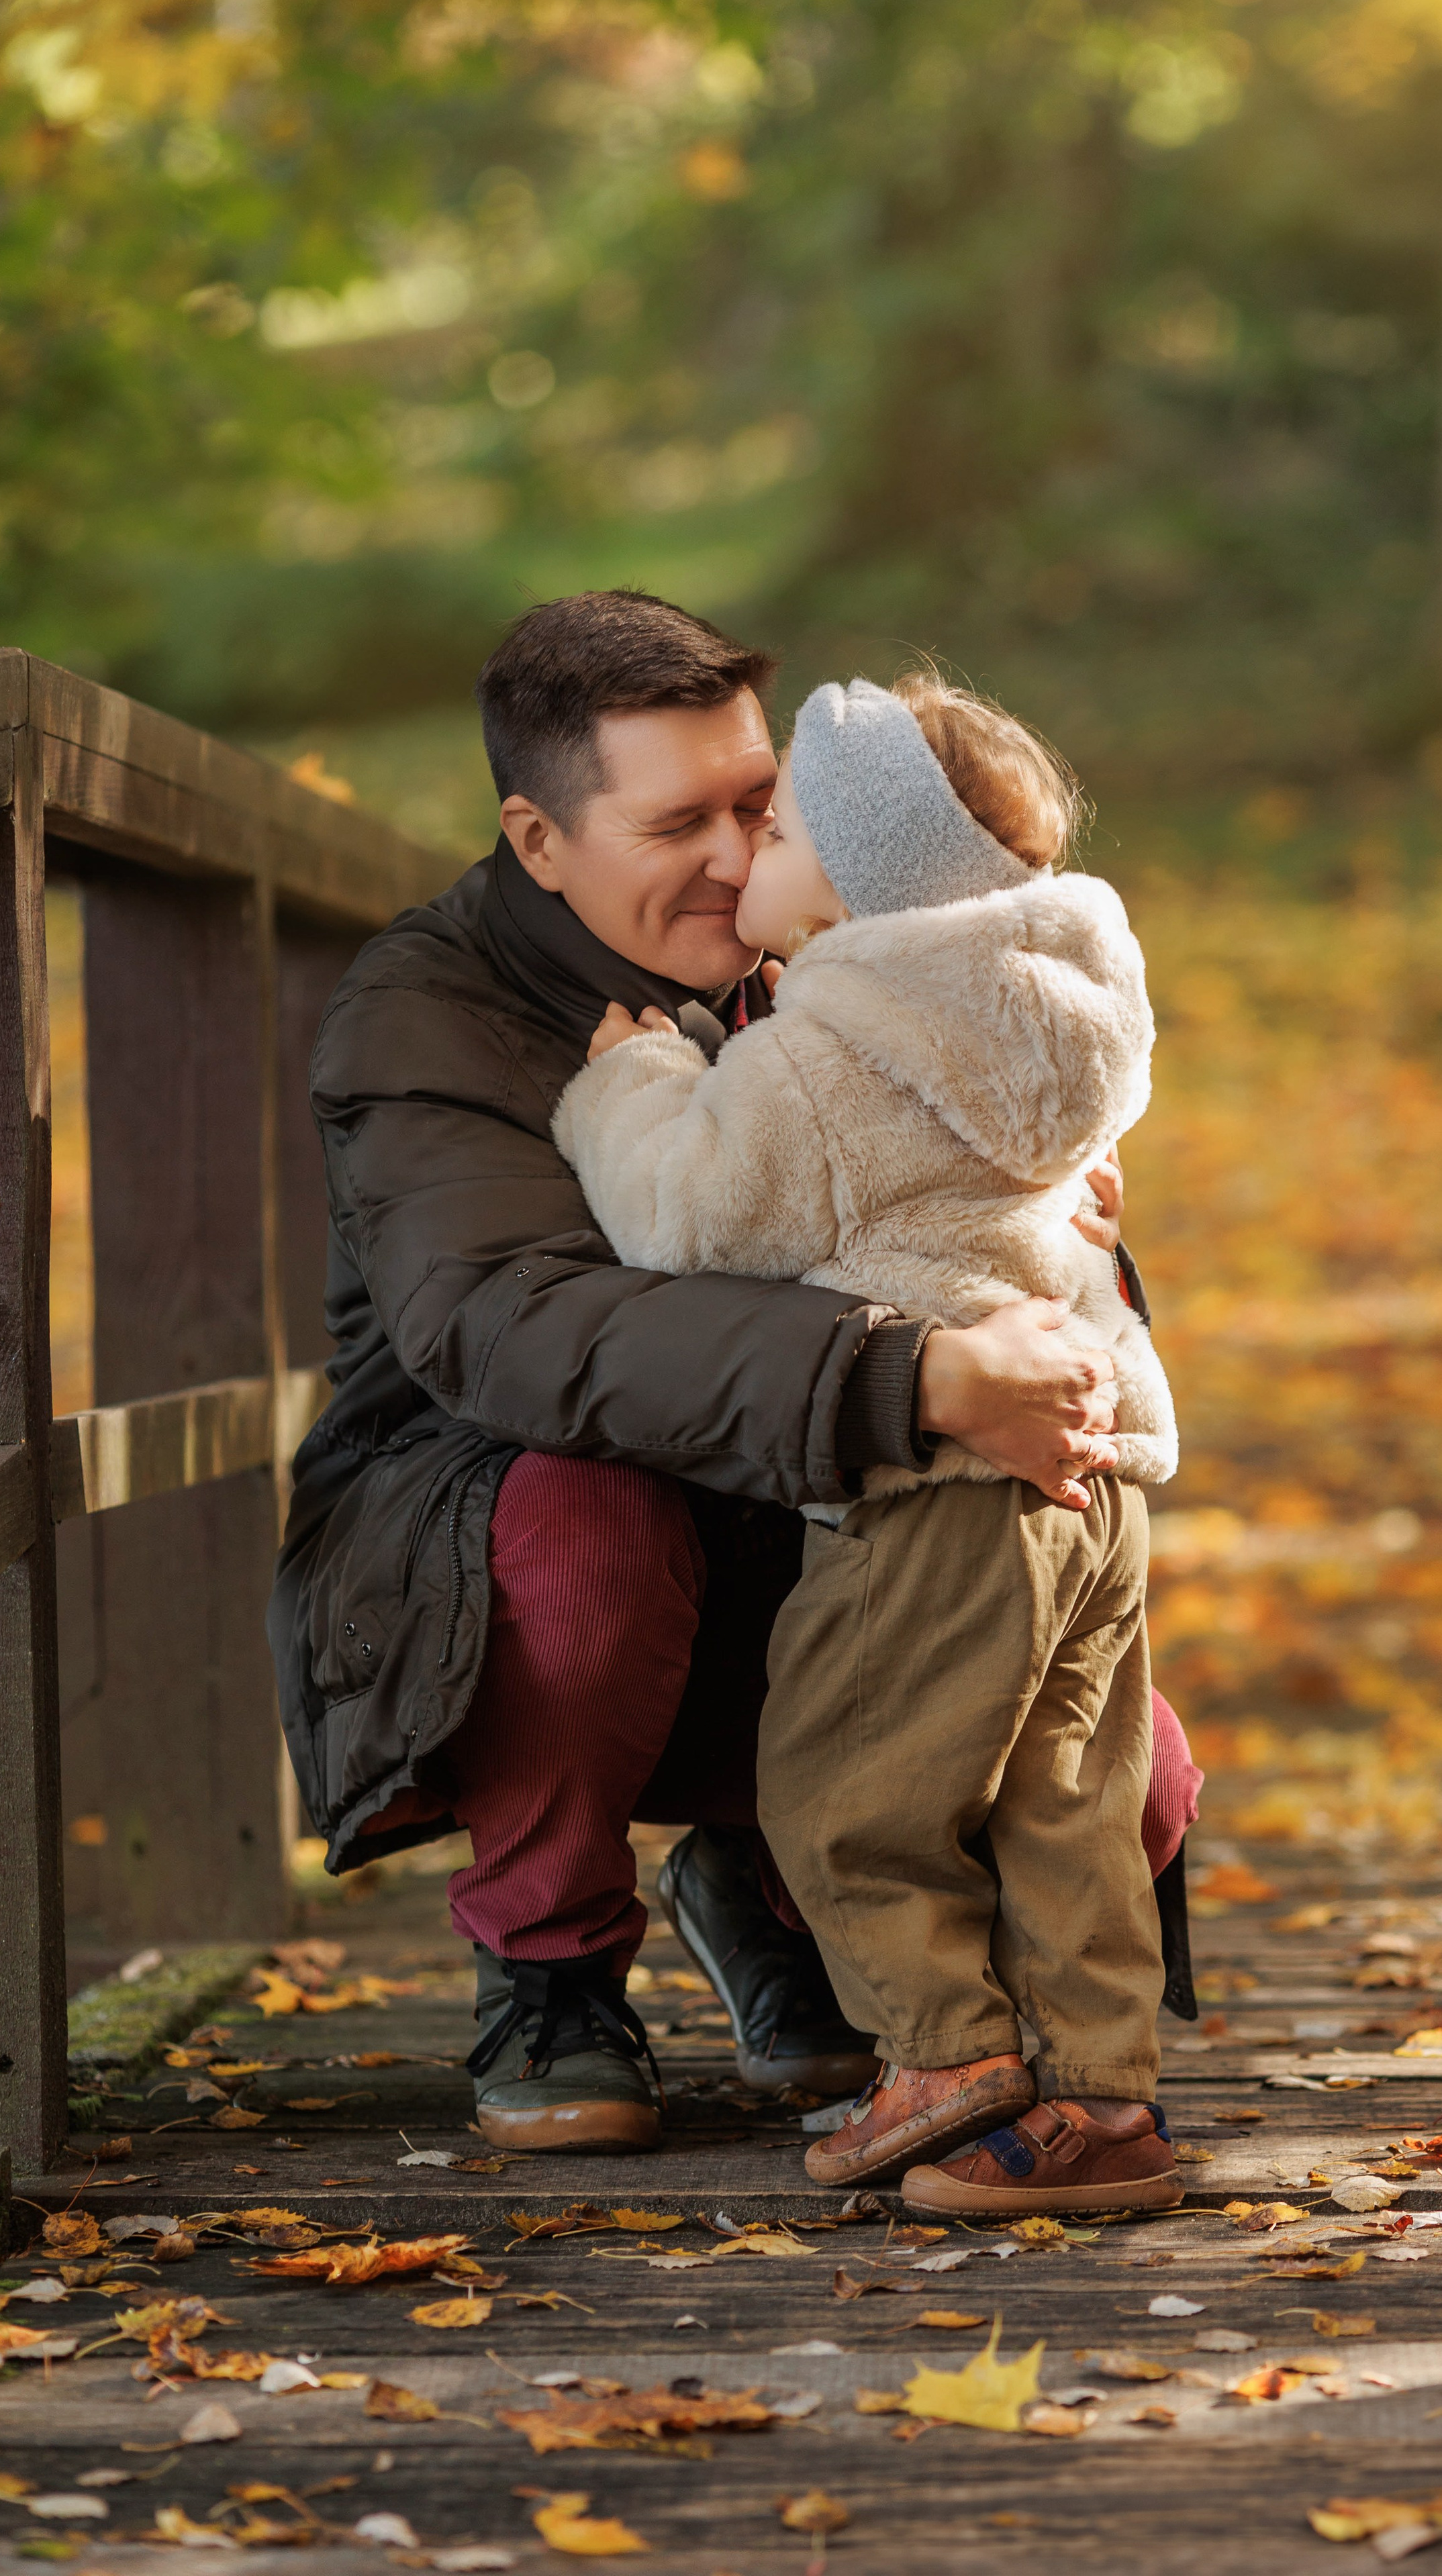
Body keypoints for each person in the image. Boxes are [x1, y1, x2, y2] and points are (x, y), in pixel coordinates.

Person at [267, 589, 1202, 2159]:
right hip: (501, 1529)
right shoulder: (426, 1015)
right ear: (538, 838)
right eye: (675, 822)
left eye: (757, 806)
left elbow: (986, 1225)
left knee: (1138, 1783)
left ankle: (792, 1911)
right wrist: (914, 1378)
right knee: (590, 1528)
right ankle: (551, 1970)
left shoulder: (849, 948)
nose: (733, 853)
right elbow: (516, 1327)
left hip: (827, 1510)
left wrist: (1074, 1246)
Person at [554, 672, 1186, 2216]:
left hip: (942, 1491)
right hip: (1095, 1485)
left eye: (773, 831)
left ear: (851, 879)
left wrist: (633, 1080)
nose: (740, 859)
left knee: (843, 1784)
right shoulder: (1050, 1014)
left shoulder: (834, 1047)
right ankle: (1099, 2100)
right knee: (1063, 1806)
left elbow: (683, 1211)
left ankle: (942, 2056)